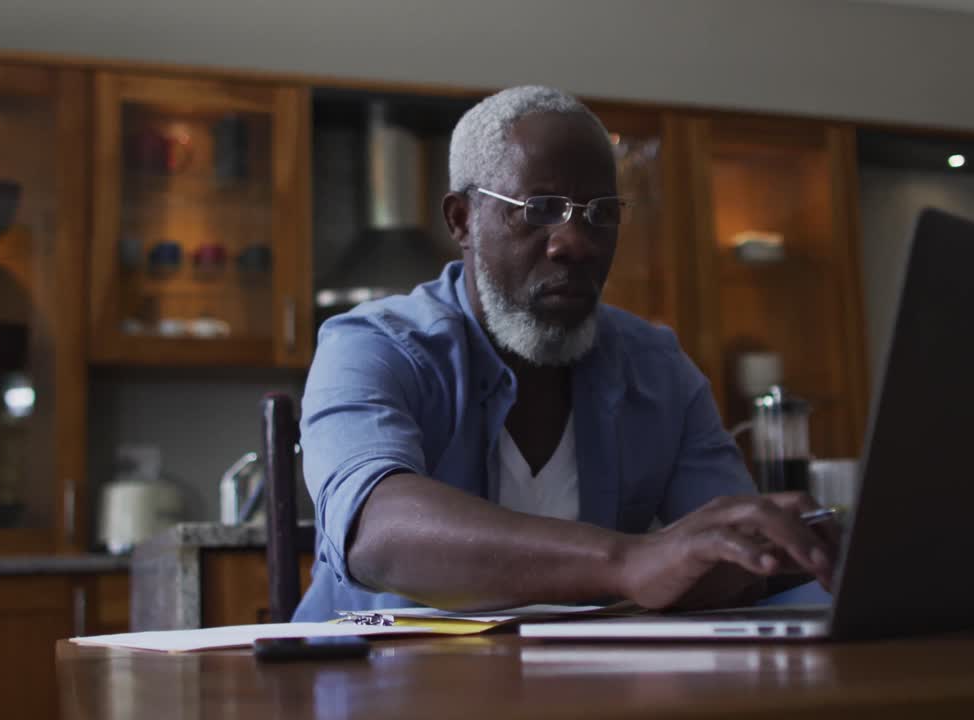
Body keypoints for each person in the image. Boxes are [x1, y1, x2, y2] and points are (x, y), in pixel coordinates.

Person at [293, 85, 838, 619]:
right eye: (539, 208)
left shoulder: (658, 370)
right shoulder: (373, 346)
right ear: (461, 219)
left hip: (578, 685)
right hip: (376, 684)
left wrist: (791, 551)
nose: (574, 242)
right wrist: (629, 560)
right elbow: (375, 532)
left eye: (601, 212)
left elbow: (728, 553)